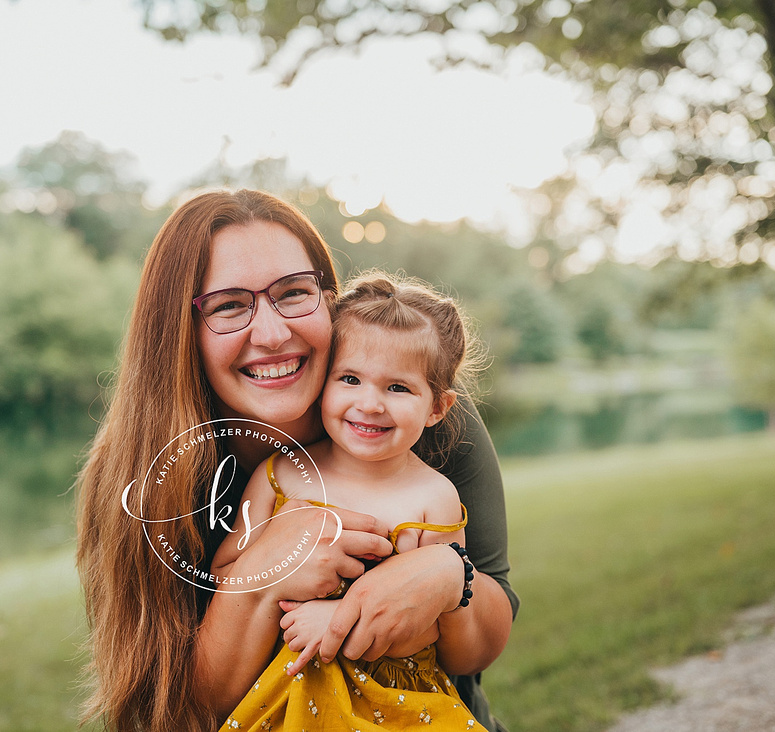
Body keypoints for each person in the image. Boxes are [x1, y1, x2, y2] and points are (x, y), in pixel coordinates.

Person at [75, 190, 518, 732]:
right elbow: (183, 710)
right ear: (179, 331)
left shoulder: (414, 411)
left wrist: (450, 576)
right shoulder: (145, 475)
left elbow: (479, 647)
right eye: (229, 305)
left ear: (328, 298)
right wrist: (265, 574)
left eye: (293, 293)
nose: (272, 333)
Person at [212, 271, 489, 730]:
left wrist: (341, 620)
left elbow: (435, 627)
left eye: (397, 388)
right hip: (285, 699)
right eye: (350, 379)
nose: (371, 404)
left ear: (437, 407)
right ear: (323, 380)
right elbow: (229, 579)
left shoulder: (433, 497)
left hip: (396, 705)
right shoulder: (281, 475)